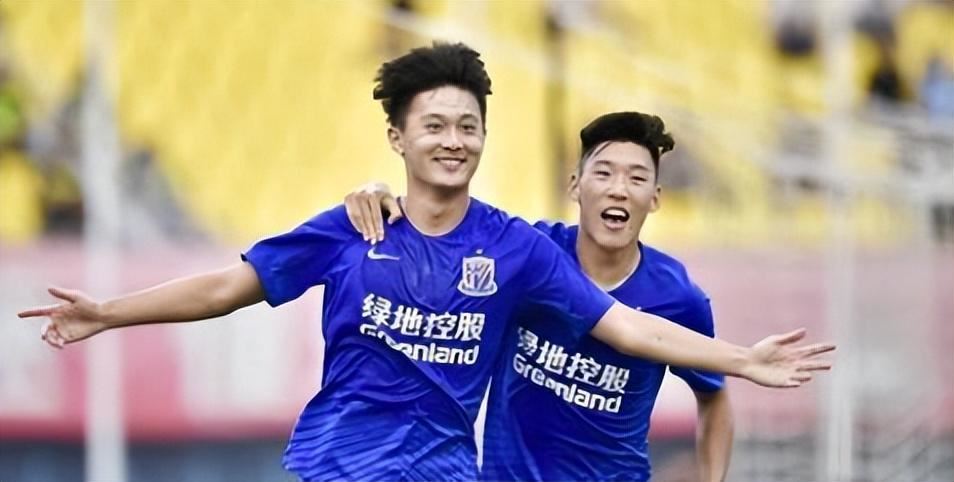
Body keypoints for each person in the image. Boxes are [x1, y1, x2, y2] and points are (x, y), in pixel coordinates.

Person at [18, 42, 834, 482]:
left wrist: (741, 359)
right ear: (398, 138)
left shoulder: (516, 250)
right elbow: (227, 287)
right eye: (435, 125)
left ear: (484, 139)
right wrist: (109, 311)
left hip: (443, 471)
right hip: (339, 465)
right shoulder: (351, 226)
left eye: (468, 126)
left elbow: (627, 327)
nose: (454, 140)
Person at [346, 112, 732, 481]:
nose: (618, 189)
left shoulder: (678, 299)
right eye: (603, 173)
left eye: (637, 178)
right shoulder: (529, 256)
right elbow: (441, 239)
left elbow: (713, 396)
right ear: (575, 186)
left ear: (655, 197)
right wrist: (382, 196)